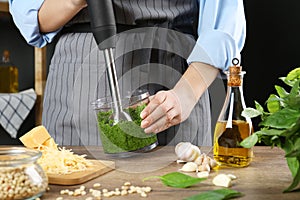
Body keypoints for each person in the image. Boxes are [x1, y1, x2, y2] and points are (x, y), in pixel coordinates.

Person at [9, 0, 246, 147]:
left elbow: (221, 29)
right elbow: (32, 16)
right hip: (76, 83)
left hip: (176, 85)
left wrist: (185, 94)